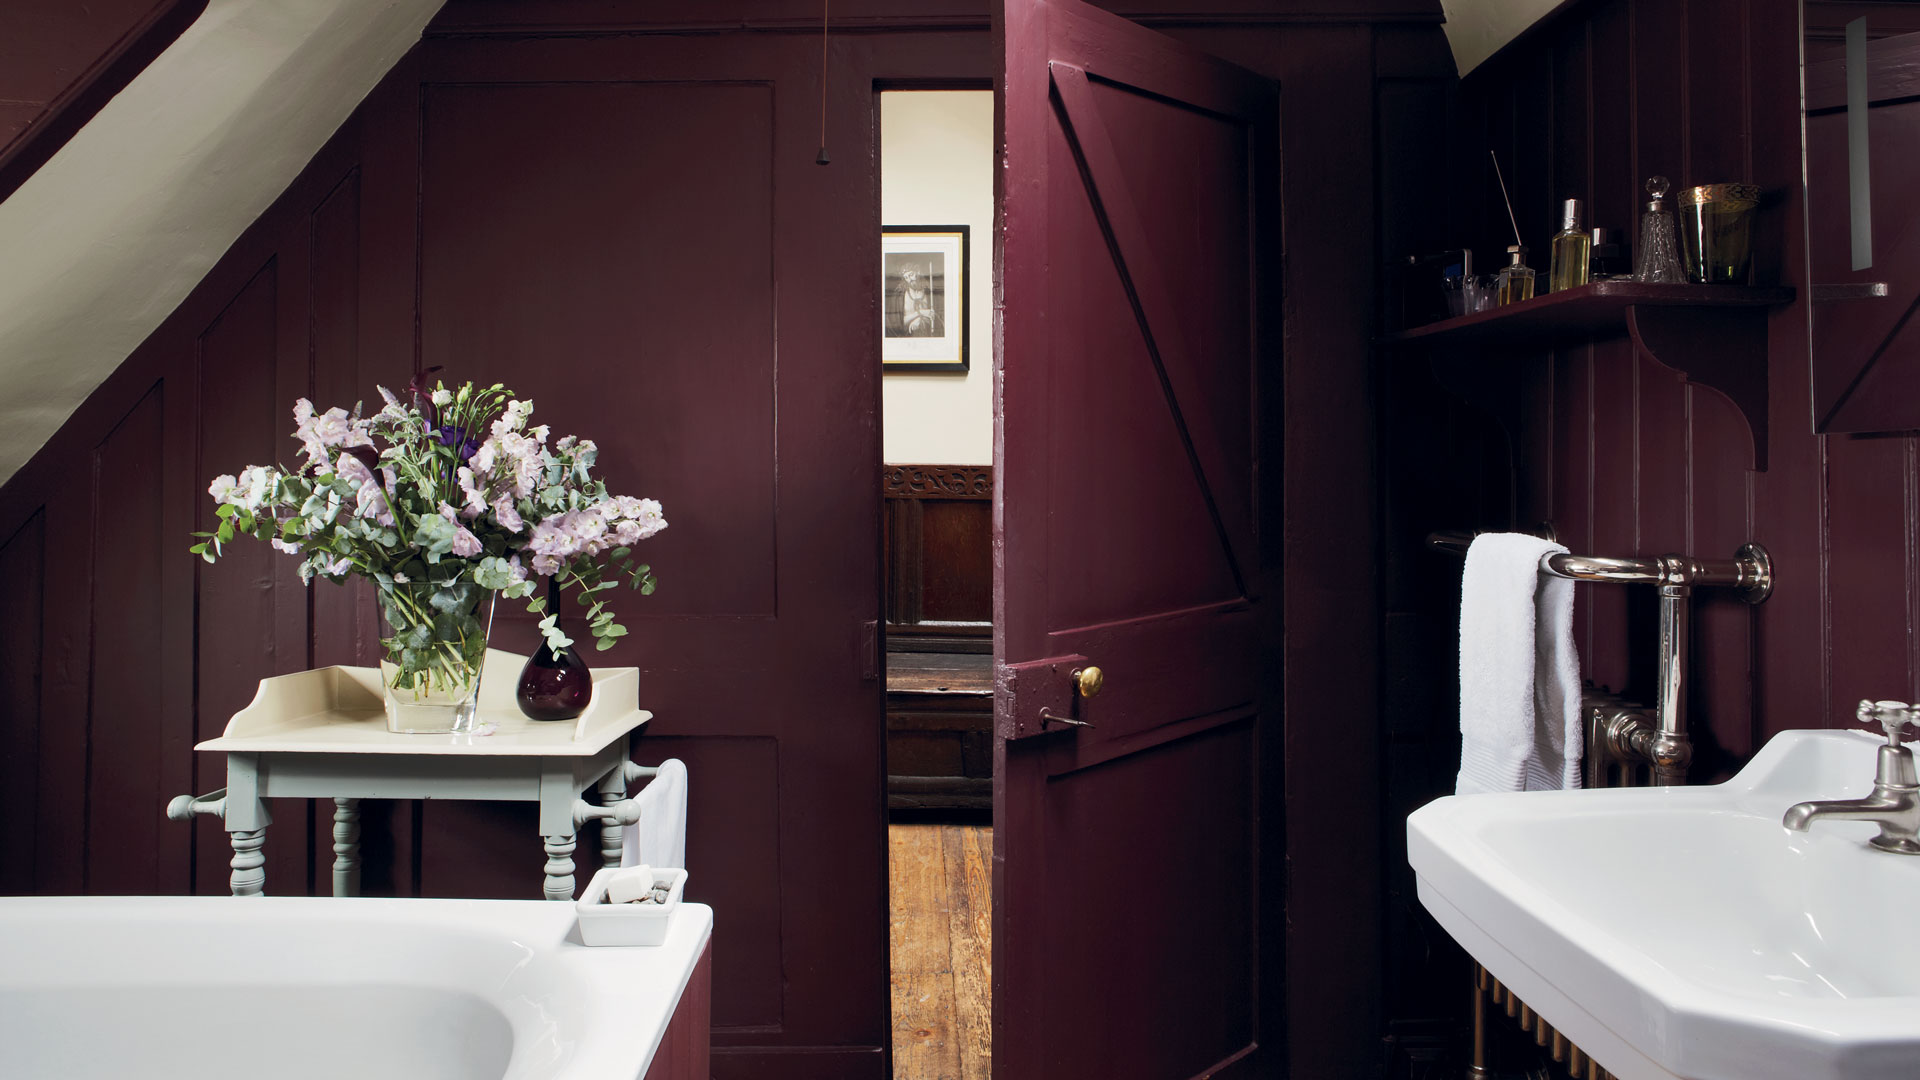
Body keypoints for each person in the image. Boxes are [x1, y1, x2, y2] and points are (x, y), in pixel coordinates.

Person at [890, 263, 940, 337]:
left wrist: (920, 321)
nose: (909, 280)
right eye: (906, 277)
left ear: (918, 272)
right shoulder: (900, 296)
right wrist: (920, 313)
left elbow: (936, 318)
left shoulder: (929, 293)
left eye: (911, 275)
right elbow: (898, 323)